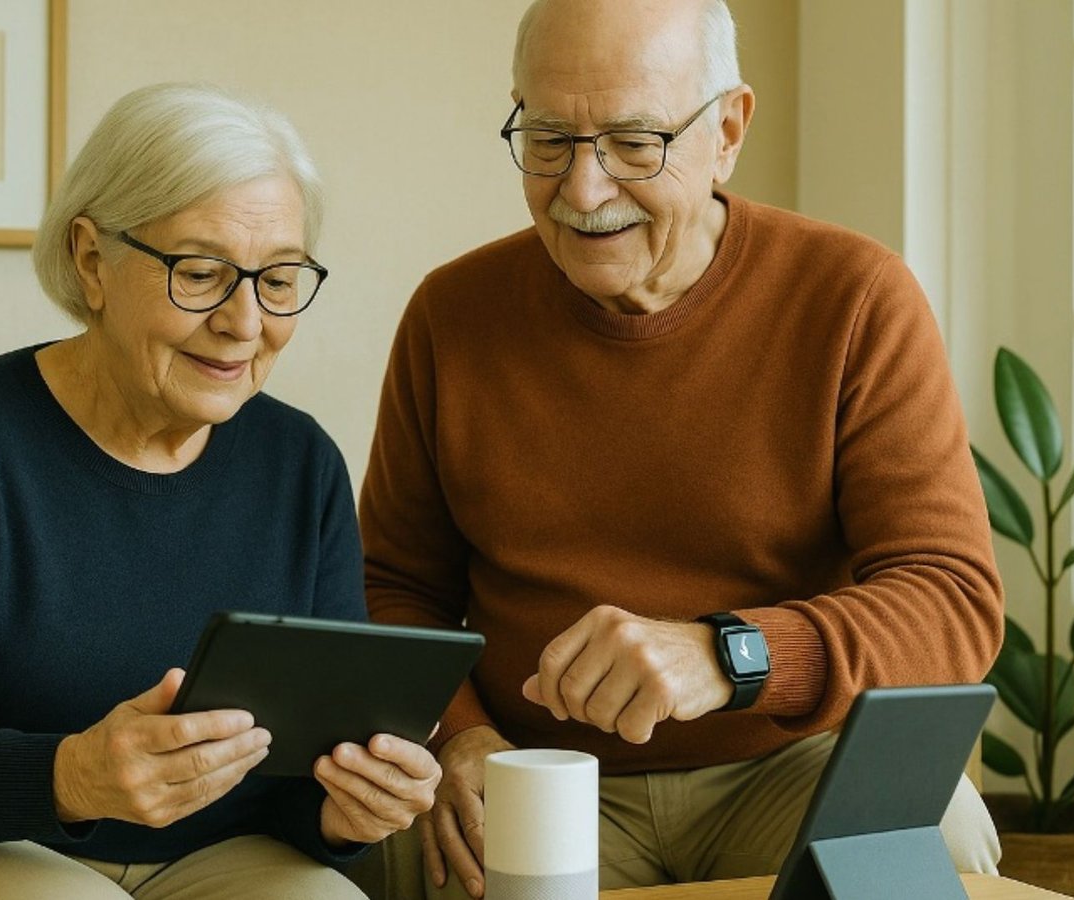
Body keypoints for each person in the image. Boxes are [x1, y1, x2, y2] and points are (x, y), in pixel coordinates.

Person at [354, 1, 1005, 897]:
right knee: (396, 855)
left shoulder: (855, 297)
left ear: (728, 129)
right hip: (539, 772)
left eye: (634, 141)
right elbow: (391, 588)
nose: (582, 191)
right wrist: (461, 736)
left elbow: (952, 599)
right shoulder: (450, 316)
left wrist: (729, 655)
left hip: (789, 763)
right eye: (548, 139)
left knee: (935, 844)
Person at [0, 83, 438, 900]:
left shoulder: (301, 462)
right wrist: (69, 776)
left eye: (280, 278)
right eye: (200, 272)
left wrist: (350, 809)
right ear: (92, 260)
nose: (244, 321)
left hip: (208, 855)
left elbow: (306, 769)